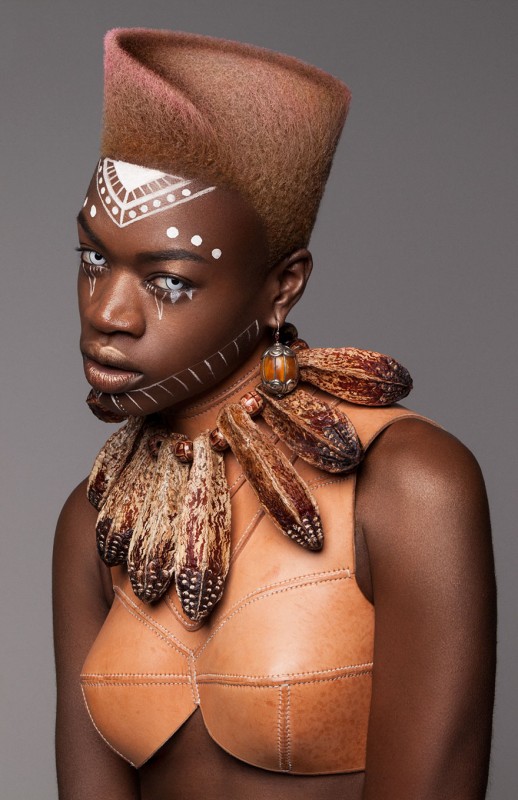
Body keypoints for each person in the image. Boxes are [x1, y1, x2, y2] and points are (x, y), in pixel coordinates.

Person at [53, 28, 496, 800]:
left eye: (170, 280)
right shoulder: (98, 519)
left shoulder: (407, 485)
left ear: (283, 286)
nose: (107, 313)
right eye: (94, 259)